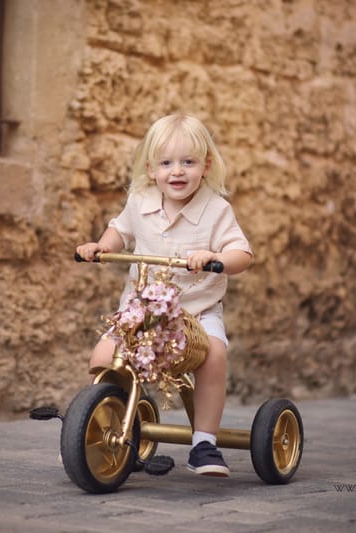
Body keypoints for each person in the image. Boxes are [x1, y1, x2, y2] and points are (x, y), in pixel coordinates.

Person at [76, 113, 253, 477]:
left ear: (205, 167)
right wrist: (100, 246)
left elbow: (242, 254)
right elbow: (119, 231)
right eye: (167, 163)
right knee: (103, 356)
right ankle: (108, 417)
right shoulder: (140, 201)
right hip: (140, 312)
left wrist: (217, 259)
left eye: (188, 162)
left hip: (197, 314)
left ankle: (204, 443)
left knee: (215, 355)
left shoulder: (216, 210)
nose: (177, 172)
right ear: (150, 168)